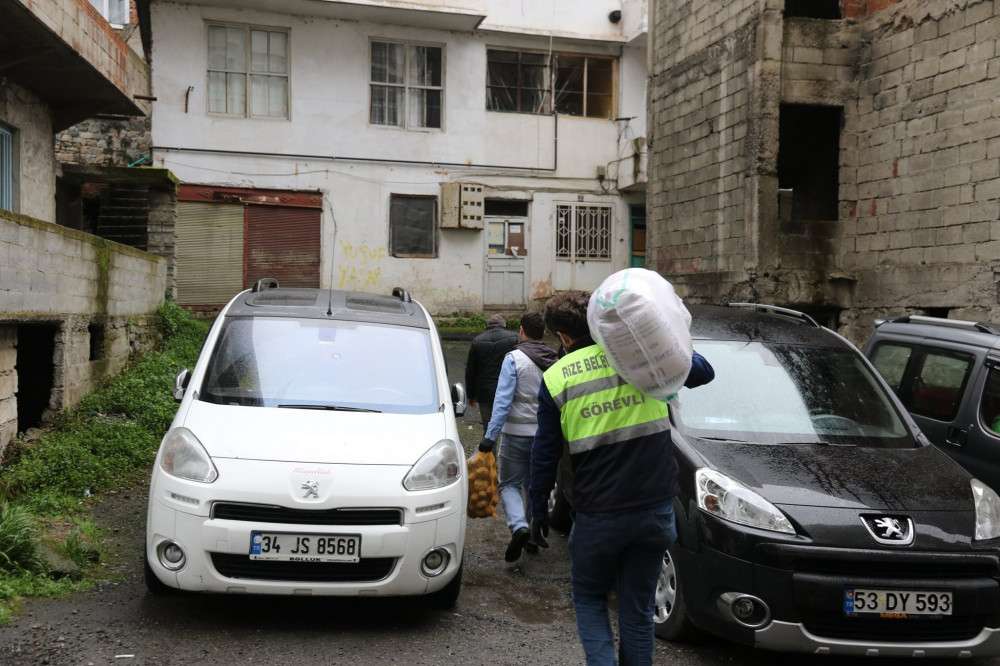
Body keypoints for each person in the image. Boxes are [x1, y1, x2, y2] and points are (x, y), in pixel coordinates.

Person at [528, 291, 715, 666]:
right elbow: (702, 371)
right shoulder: (635, 355)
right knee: (638, 609)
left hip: (598, 514)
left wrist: (537, 510)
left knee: (589, 598)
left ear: (562, 336)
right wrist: (654, 335)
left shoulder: (556, 378)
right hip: (655, 510)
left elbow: (544, 456)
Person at [477, 312, 558, 562]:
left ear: (521, 331)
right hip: (544, 435)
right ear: (542, 333)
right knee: (535, 486)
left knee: (509, 484)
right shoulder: (554, 360)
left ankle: (519, 525)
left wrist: (490, 436)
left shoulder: (514, 359)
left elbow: (502, 401)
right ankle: (533, 534)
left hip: (515, 434)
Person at [465, 314, 518, 426]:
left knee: (488, 426)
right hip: (507, 389)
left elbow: (471, 371)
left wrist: (471, 395)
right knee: (508, 425)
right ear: (504, 325)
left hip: (485, 392)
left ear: (487, 326)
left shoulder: (477, 341)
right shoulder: (514, 338)